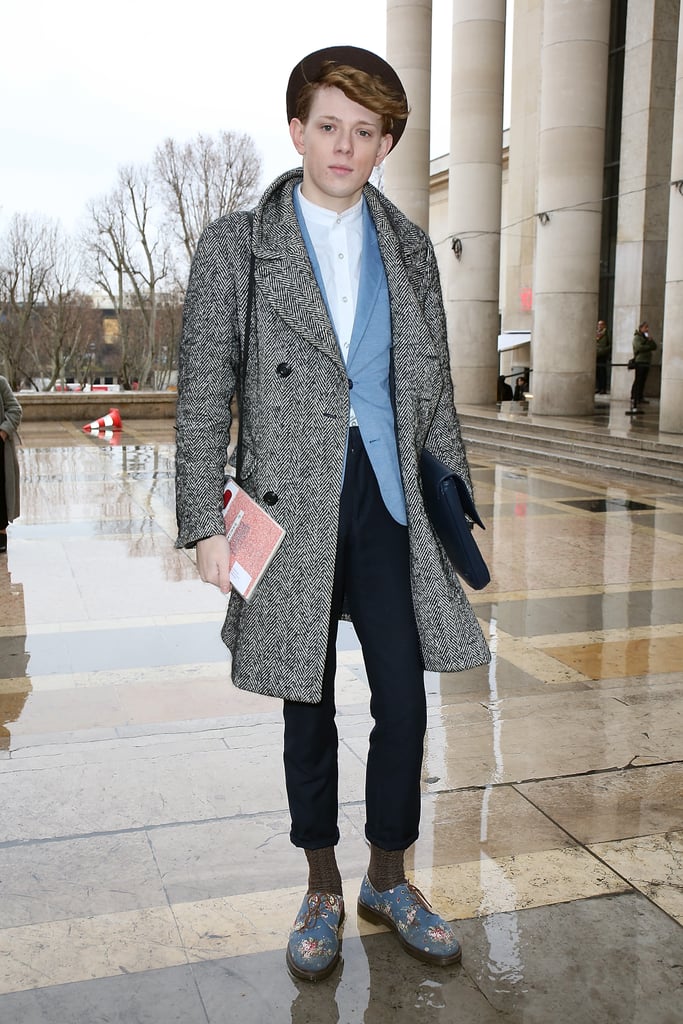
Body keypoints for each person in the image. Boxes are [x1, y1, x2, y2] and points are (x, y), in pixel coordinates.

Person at [175, 45, 490, 982]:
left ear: (386, 141)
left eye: (365, 131)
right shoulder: (238, 243)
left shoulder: (407, 246)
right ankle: (319, 883)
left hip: (387, 493)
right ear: (296, 129)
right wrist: (201, 519)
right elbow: (203, 390)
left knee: (403, 699)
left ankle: (388, 877)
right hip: (288, 502)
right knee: (303, 704)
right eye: (328, 126)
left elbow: (431, 393)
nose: (344, 146)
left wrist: (455, 507)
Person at [0, 375, 22, 554]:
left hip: (0, 450)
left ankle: (0, 541)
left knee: (0, 497)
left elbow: (15, 409)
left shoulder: (1, 382)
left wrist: (3, 433)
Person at [630, 321, 657, 411]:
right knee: (638, 379)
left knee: (643, 380)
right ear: (641, 328)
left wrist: (650, 340)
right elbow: (639, 348)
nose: (647, 329)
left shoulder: (646, 337)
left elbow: (654, 346)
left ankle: (640, 397)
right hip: (640, 361)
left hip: (646, 361)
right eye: (645, 327)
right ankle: (634, 397)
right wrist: (648, 346)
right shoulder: (637, 337)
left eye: (647, 327)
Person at [595, 319, 611, 394]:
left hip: (602, 355)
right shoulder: (596, 333)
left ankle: (603, 388)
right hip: (596, 355)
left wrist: (604, 350)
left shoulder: (607, 333)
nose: (600, 326)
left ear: (604, 325)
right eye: (599, 324)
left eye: (601, 324)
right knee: (597, 372)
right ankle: (598, 387)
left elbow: (610, 345)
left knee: (602, 372)